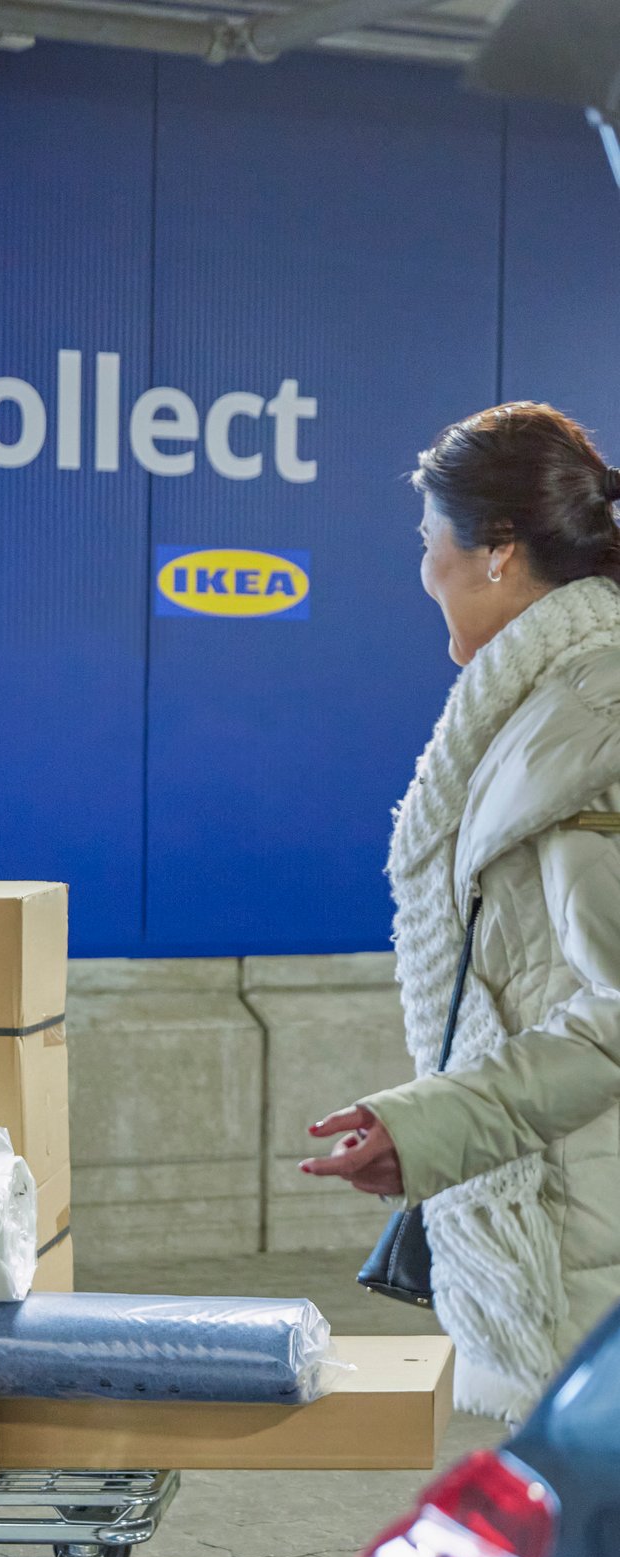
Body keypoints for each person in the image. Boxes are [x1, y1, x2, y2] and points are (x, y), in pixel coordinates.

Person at [301, 403, 620, 1423]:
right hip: (568, 1218)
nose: (422, 569)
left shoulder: (587, 722)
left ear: (494, 553)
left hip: (585, 1237)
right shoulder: (545, 705)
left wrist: (436, 1124)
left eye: (428, 542)